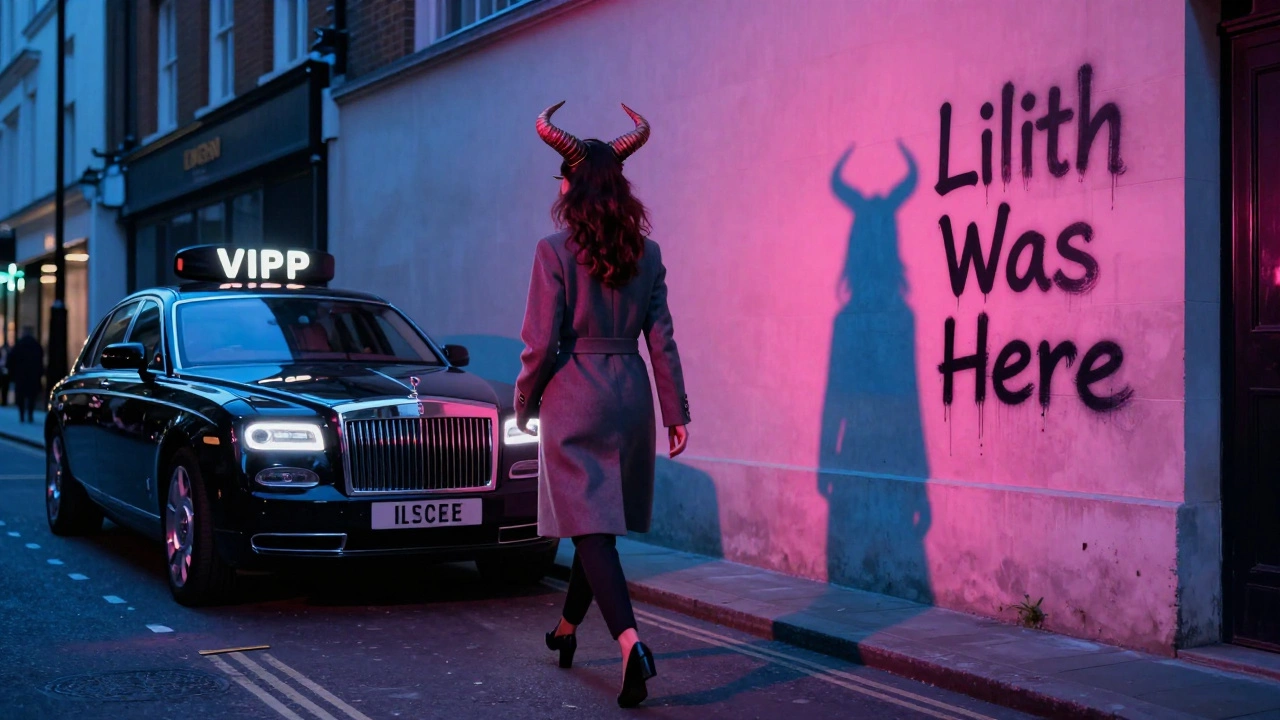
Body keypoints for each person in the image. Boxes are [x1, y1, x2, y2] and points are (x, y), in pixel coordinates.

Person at [517, 102, 691, 709]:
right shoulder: (649, 254)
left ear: (571, 186)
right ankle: (566, 630)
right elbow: (662, 339)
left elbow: (540, 342)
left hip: (575, 395)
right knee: (594, 525)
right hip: (630, 397)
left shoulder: (553, 251)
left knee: (590, 527)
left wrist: (524, 400)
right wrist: (675, 412)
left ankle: (630, 645)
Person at [7, 326, 43, 423]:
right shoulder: (36, 345)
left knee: (21, 396)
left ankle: (22, 414)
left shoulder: (19, 345)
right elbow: (40, 361)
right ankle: (30, 414)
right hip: (32, 375)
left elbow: (11, 360)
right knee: (31, 396)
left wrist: (12, 373)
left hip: (20, 375)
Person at [0, 338, 9, 406]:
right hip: (1, 371)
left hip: (5, 373)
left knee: (5, 388)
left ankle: (4, 401)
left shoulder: (8, 354)